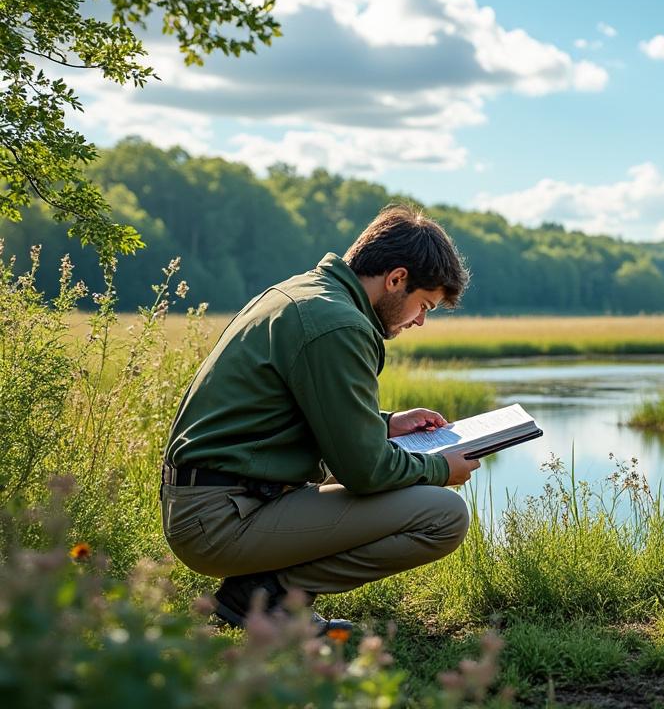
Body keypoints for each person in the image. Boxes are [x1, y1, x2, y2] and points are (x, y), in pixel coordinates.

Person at [160, 205, 479, 634]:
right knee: (444, 515)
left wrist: (384, 423)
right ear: (396, 278)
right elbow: (365, 471)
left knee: (384, 480)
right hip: (222, 518)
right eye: (424, 305)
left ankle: (266, 592)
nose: (420, 321)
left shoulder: (305, 294)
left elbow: (293, 407)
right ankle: (267, 595)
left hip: (215, 503)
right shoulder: (338, 325)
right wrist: (442, 468)